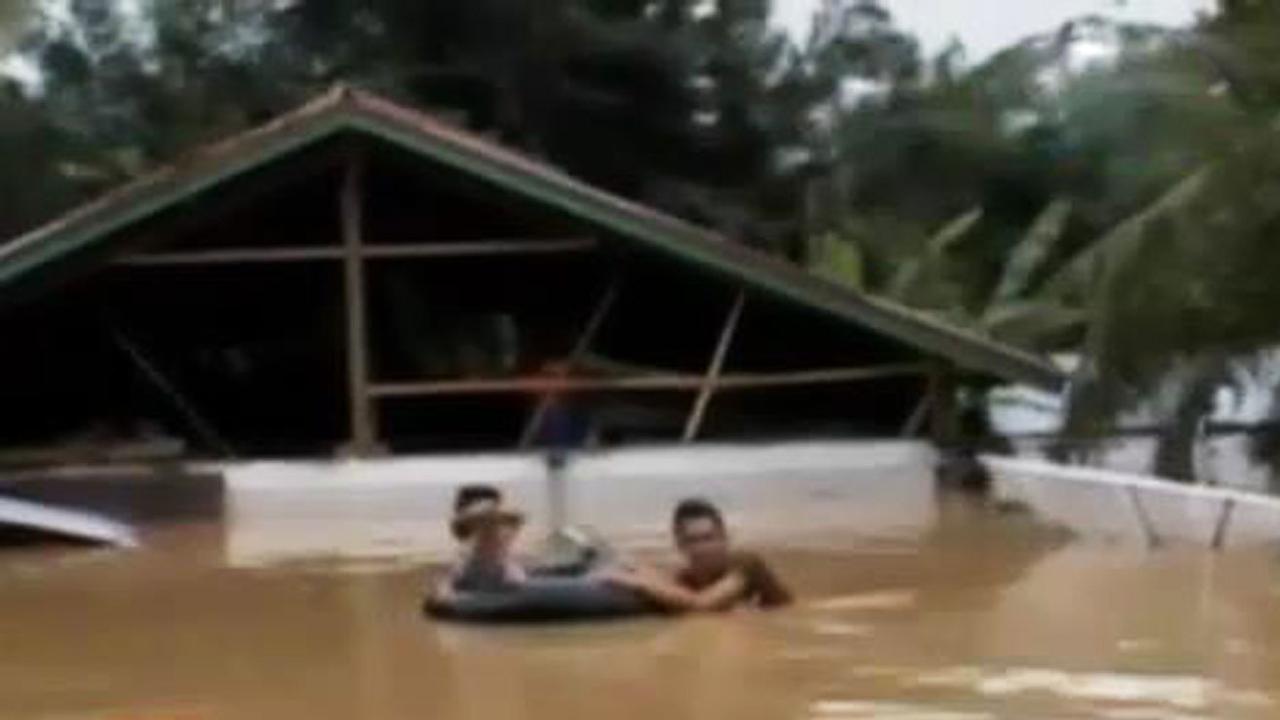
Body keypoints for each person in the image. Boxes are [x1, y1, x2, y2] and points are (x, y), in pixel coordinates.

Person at [607, 498, 792, 612]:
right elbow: (671, 587)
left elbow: (702, 605)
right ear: (680, 545)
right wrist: (639, 571)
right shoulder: (687, 576)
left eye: (709, 538)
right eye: (693, 541)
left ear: (724, 537)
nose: (703, 548)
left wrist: (639, 583)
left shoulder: (746, 563)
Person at [428, 484, 528, 603]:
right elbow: (443, 586)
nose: (492, 527)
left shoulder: (506, 556)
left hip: (502, 577)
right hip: (478, 577)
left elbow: (517, 519)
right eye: (484, 521)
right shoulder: (461, 563)